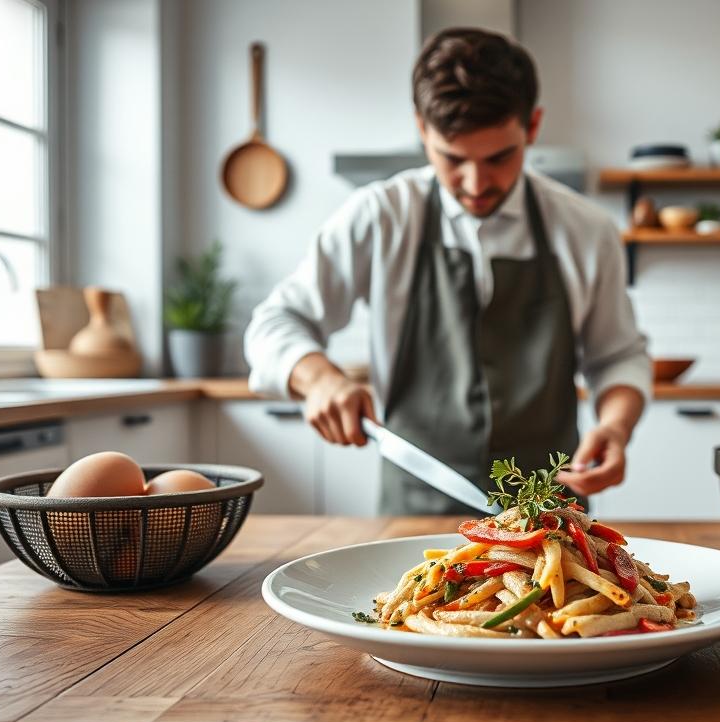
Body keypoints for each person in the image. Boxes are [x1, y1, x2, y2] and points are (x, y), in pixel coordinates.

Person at [244, 27, 650, 516]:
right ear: (422, 129)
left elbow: (619, 356)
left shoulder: (586, 229)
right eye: (452, 159)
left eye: (500, 157)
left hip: (553, 521)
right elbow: (274, 324)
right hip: (412, 517)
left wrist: (614, 427)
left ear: (534, 126)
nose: (476, 183)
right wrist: (320, 379)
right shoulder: (381, 216)